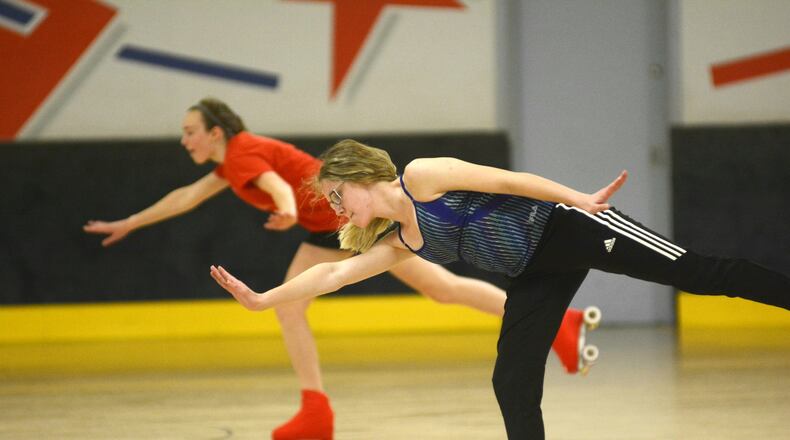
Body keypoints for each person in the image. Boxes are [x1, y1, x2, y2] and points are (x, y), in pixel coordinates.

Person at [83, 98, 598, 440]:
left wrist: (285, 206)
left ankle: (316, 412)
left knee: (291, 308)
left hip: (342, 221)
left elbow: (274, 185)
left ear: (216, 132)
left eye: (190, 131)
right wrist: (130, 221)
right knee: (438, 288)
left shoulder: (242, 153)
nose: (185, 140)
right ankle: (563, 326)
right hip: (338, 222)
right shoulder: (233, 159)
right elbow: (185, 197)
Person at [210, 138, 790, 440]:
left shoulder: (422, 177)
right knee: (511, 379)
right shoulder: (397, 240)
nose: (336, 209)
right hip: (534, 274)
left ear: (361, 177)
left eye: (338, 195)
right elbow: (332, 274)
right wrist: (263, 300)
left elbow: (509, 181)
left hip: (570, 229)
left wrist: (578, 199)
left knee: (700, 275)